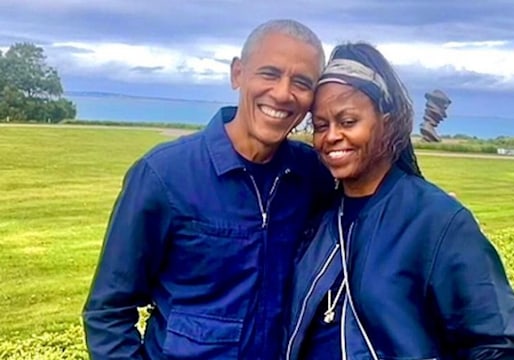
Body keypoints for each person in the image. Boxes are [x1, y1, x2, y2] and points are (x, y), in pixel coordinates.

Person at [82, 19, 336, 359]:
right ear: (238, 74)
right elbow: (107, 313)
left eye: (302, 82)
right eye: (269, 73)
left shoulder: (312, 175)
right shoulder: (165, 174)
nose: (282, 93)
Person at [284, 42, 514, 360]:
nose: (331, 136)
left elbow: (495, 343)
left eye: (347, 122)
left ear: (387, 123)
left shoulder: (437, 221)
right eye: (320, 126)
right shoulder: (319, 219)